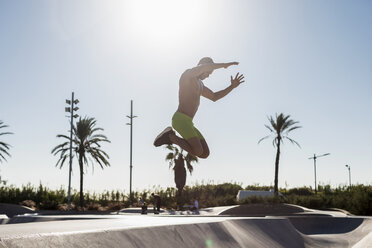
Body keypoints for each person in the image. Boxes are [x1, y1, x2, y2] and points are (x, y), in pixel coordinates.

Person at [154, 57, 244, 158]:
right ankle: (171, 137)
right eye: (208, 73)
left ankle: (171, 137)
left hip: (189, 122)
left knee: (205, 153)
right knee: (197, 151)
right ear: (203, 67)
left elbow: (214, 97)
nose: (208, 76)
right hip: (180, 119)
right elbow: (203, 67)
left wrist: (232, 87)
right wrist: (224, 65)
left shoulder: (200, 85)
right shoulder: (187, 76)